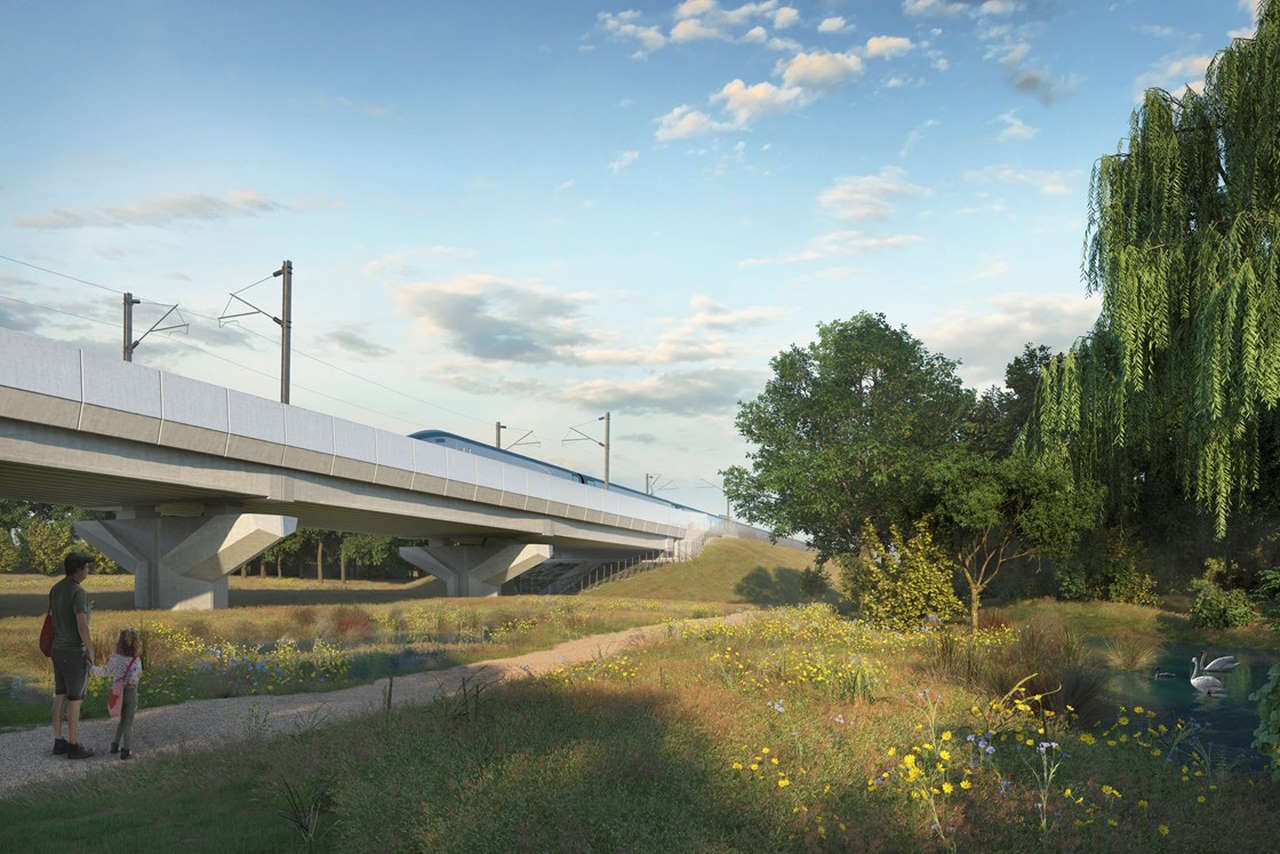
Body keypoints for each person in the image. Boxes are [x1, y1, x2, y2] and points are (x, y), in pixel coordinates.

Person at [50, 552, 95, 759]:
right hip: (73, 651)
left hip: (57, 650)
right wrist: (91, 650)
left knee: (60, 695)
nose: (88, 571)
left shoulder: (56, 589)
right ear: (78, 570)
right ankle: (75, 746)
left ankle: (59, 742)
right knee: (75, 699)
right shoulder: (79, 592)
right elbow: (81, 625)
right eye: (86, 567)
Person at [91, 628, 142, 760]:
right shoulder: (136, 660)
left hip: (117, 692)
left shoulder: (115, 658)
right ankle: (126, 750)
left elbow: (104, 672)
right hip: (131, 692)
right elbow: (135, 678)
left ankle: (115, 745)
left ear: (119, 643)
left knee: (122, 720)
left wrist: (90, 667)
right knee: (128, 721)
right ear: (136, 643)